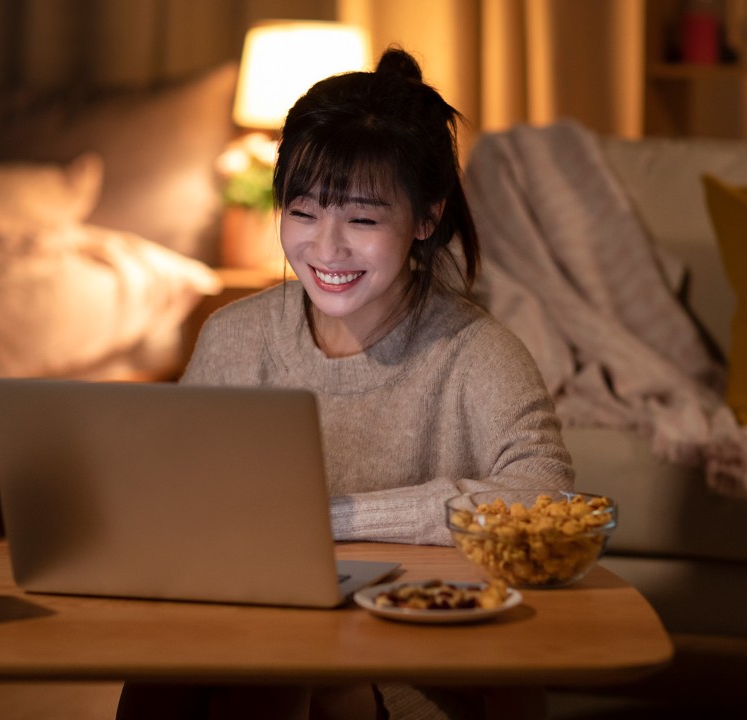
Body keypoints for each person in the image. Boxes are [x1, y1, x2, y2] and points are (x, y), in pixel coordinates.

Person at [118, 47, 574, 720]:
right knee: (169, 679)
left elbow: (547, 498)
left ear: (425, 219)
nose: (326, 249)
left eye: (362, 220)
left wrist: (333, 520)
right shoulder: (234, 339)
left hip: (409, 671)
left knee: (275, 679)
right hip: (253, 641)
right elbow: (178, 492)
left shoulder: (475, 353)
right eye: (303, 213)